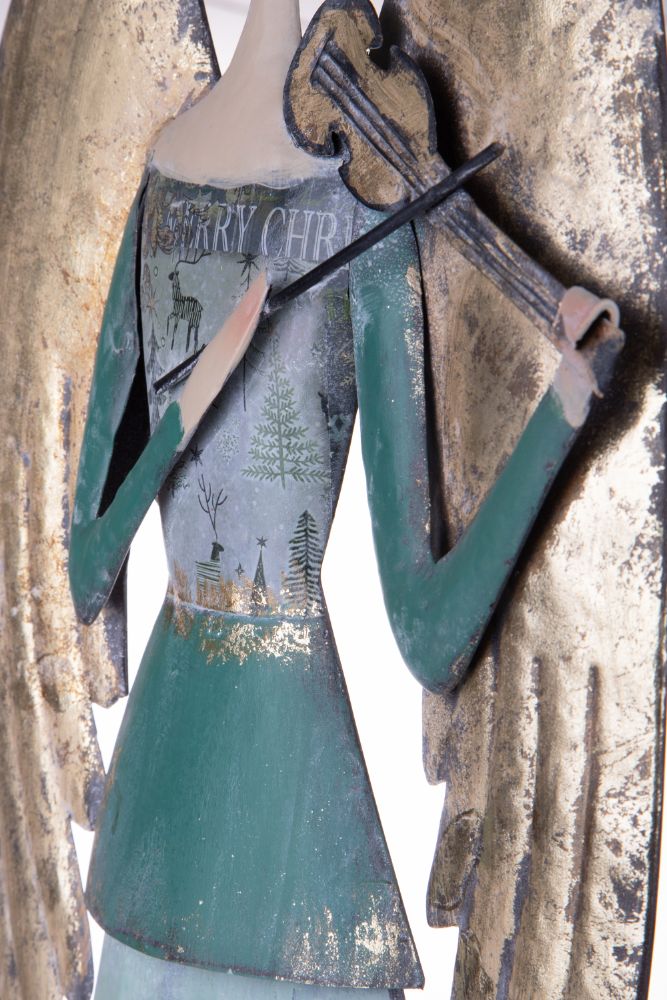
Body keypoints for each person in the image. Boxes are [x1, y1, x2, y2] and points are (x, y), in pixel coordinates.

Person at [68, 1, 617, 996]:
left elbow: (430, 635)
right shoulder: (164, 181)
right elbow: (82, 573)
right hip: (173, 796)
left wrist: (563, 407)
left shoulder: (365, 209)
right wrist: (186, 411)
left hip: (288, 807)